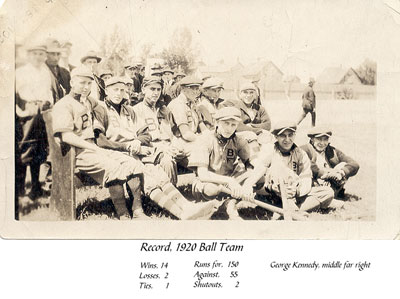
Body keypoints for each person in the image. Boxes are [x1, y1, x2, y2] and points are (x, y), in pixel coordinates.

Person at [92, 76, 219, 219]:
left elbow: (145, 135)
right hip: (115, 154)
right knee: (150, 178)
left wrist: (137, 142)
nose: (118, 93)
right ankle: (181, 214)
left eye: (122, 90)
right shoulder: (100, 109)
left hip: (135, 151)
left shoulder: (128, 110)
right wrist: (129, 146)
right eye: (115, 90)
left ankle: (187, 207)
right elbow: (100, 140)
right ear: (107, 91)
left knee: (159, 175)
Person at [52, 67, 144, 219]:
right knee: (114, 167)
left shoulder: (87, 100)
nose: (86, 87)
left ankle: (138, 211)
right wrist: (92, 147)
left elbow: (102, 104)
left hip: (92, 149)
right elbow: (67, 136)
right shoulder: (64, 104)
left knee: (132, 163)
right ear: (72, 82)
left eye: (89, 83)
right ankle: (123, 214)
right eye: (82, 83)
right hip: (77, 153)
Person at [244, 121, 338, 216]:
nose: (287, 139)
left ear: (295, 135)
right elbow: (259, 171)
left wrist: (296, 191)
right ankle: (289, 210)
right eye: (283, 136)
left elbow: (306, 180)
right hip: (271, 192)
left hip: (293, 193)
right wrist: (250, 185)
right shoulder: (269, 150)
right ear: (276, 137)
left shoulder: (301, 154)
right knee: (280, 172)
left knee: (328, 192)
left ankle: (288, 211)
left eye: (290, 135)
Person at [188, 106, 258, 219]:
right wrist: (230, 181)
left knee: (259, 179)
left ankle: (229, 203)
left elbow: (252, 166)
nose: (229, 128)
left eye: (233, 125)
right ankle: (228, 203)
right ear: (217, 122)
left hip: (230, 180)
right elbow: (203, 174)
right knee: (212, 189)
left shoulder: (238, 141)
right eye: (226, 123)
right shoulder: (205, 139)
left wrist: (248, 184)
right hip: (207, 182)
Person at [15, 44, 53, 200]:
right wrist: (23, 109)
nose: (38, 57)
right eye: (35, 53)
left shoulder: (45, 71)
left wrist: (47, 102)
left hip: (42, 112)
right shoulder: (21, 72)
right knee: (25, 149)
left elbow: (49, 91)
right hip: (27, 112)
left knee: (39, 150)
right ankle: (20, 190)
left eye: (41, 54)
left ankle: (36, 188)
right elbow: (16, 94)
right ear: (29, 55)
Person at [132, 76, 178, 184]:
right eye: (152, 89)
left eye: (158, 89)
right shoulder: (136, 110)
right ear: (143, 89)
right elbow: (140, 138)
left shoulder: (165, 110)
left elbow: (175, 132)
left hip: (169, 147)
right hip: (150, 149)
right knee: (167, 161)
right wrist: (163, 148)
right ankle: (172, 195)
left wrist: (174, 145)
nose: (156, 93)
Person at [301, 127, 360, 199]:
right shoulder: (304, 149)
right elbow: (308, 165)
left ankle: (334, 193)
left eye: (325, 139)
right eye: (319, 139)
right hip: (313, 185)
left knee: (343, 165)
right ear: (312, 139)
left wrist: (341, 172)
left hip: (332, 183)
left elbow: (354, 164)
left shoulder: (332, 151)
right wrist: (327, 173)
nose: (322, 143)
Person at [167, 76, 207, 166]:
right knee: (204, 149)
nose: (196, 92)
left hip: (192, 140)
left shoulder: (193, 104)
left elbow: (202, 126)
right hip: (180, 142)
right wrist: (205, 140)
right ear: (183, 89)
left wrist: (211, 137)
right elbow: (186, 134)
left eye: (198, 89)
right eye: (193, 89)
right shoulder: (178, 105)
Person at [225, 81, 273, 156]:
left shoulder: (260, 108)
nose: (248, 95)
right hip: (241, 137)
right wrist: (258, 130)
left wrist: (251, 125)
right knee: (251, 136)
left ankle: (268, 160)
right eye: (245, 92)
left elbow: (268, 125)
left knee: (269, 139)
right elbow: (238, 127)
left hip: (258, 135)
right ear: (240, 95)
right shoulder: (236, 108)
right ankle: (256, 159)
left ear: (255, 95)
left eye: (251, 92)